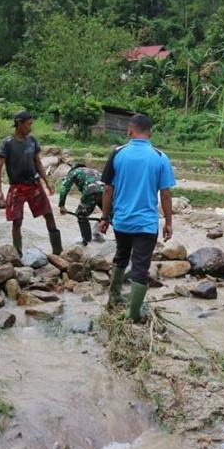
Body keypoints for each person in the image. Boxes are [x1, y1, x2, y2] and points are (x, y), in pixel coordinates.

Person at [98, 114, 176, 323]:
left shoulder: (117, 154)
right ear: (150, 132)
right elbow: (166, 194)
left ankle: (113, 298)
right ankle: (133, 313)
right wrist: (168, 222)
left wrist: (104, 217)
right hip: (146, 224)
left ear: (130, 131)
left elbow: (107, 189)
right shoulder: (160, 157)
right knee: (141, 266)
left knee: (121, 257)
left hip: (122, 222)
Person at [0, 110, 62, 256]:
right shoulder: (7, 143)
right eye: (29, 124)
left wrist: (47, 182)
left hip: (34, 185)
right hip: (17, 187)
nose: (31, 127)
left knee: (48, 214)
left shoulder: (32, 140)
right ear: (19, 124)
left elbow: (38, 162)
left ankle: (58, 251)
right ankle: (18, 254)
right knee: (17, 221)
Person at [58, 164, 105, 246]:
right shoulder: (94, 171)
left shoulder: (74, 172)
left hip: (91, 191)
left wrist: (61, 205)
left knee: (81, 215)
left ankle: (87, 240)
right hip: (107, 191)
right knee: (111, 215)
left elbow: (64, 187)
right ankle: (123, 239)